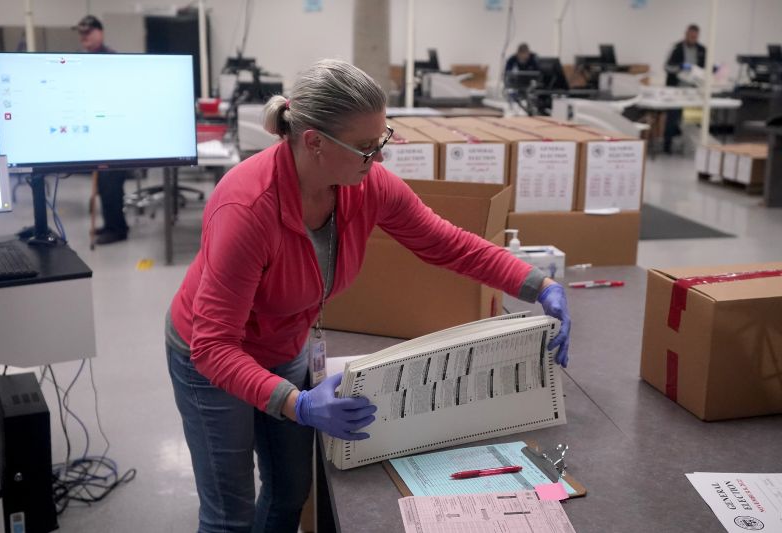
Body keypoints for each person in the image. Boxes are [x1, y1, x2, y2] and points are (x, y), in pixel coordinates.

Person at [165, 59, 571, 533]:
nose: (378, 160)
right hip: (209, 360)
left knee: (289, 491)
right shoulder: (247, 209)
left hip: (282, 345)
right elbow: (213, 347)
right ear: (314, 142)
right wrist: (299, 405)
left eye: (382, 141)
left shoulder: (364, 185)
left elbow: (445, 242)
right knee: (228, 515)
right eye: (364, 148)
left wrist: (537, 284)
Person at [74, 15, 130, 244]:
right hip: (96, 132)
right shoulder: (85, 61)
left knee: (111, 185)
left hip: (114, 133)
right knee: (103, 184)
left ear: (100, 32)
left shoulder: (110, 60)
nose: (84, 38)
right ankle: (111, 225)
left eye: (88, 33)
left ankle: (117, 229)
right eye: (81, 34)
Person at [663, 24, 706, 154]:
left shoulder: (702, 50)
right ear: (686, 34)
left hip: (694, 90)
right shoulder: (676, 48)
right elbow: (667, 67)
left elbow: (705, 68)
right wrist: (680, 68)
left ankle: (691, 146)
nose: (692, 38)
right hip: (677, 89)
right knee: (673, 118)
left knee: (693, 120)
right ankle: (667, 146)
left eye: (695, 37)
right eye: (690, 36)